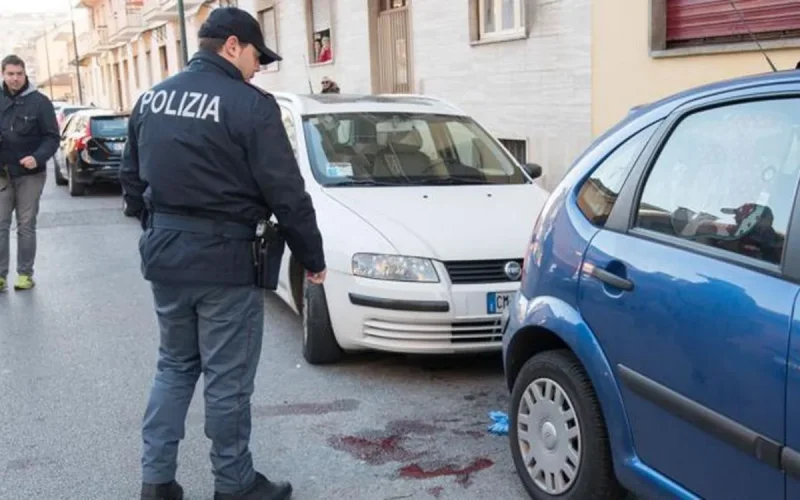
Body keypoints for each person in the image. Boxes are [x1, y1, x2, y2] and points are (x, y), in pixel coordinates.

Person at [119, 7, 326, 500]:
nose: (258, 68)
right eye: (257, 56)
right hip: (227, 263)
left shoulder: (150, 99)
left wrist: (161, 226)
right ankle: (234, 485)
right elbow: (287, 193)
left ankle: (157, 482)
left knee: (173, 366)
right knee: (227, 381)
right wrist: (312, 258)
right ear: (232, 46)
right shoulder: (250, 105)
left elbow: (131, 183)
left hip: (166, 257)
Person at [0, 54, 59, 292]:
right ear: (3, 75)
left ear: (25, 74)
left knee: (25, 225)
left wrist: (37, 157)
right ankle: (0, 276)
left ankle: (25, 274)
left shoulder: (39, 102)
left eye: (19, 74)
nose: (15, 78)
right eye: (10, 74)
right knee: (0, 224)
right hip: (3, 174)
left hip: (30, 175)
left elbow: (53, 137)